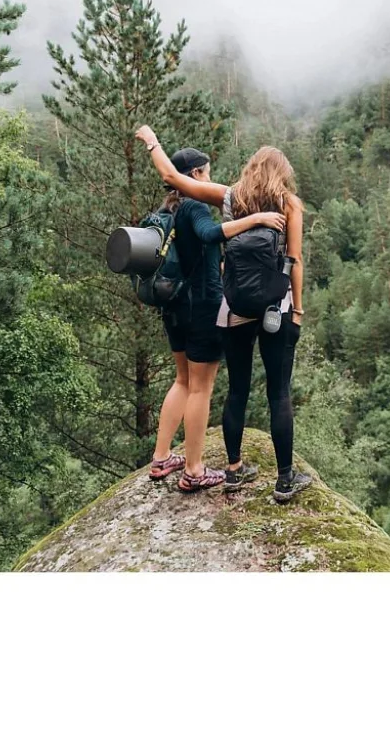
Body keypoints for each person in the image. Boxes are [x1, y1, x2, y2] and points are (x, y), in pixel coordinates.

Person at [135, 126, 310, 503]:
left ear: (251, 170)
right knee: (279, 393)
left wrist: (152, 142)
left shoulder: (231, 197)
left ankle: (233, 470)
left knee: (237, 390)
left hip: (234, 307)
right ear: (282, 174)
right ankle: (284, 480)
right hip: (275, 307)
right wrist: (297, 309)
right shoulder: (289, 205)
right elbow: (294, 260)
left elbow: (171, 177)